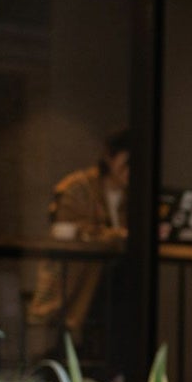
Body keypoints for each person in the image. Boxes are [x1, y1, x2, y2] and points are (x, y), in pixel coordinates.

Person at [28, 129, 129, 347]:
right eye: (127, 162)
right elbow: (66, 231)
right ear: (110, 158)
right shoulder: (78, 188)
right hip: (76, 277)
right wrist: (115, 235)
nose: (131, 171)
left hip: (113, 282)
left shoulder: (135, 196)